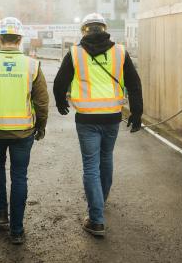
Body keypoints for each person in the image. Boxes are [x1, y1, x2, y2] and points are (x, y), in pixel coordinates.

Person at [52, 13, 143, 238]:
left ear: (84, 30)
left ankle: (96, 219)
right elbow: (134, 82)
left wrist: (60, 101)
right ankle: (100, 201)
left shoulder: (75, 53)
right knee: (106, 158)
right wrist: (137, 112)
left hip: (87, 119)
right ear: (104, 29)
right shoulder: (120, 51)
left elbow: (60, 81)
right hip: (112, 116)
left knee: (91, 166)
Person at [0, 16, 48, 245]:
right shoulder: (32, 65)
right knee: (19, 176)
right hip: (23, 132)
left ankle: (2, 215)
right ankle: (17, 231)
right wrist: (41, 125)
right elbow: (42, 102)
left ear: (0, 39)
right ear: (20, 39)